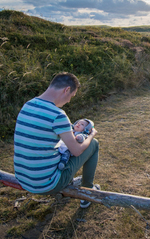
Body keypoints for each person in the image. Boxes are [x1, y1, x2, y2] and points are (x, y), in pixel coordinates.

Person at [13, 72, 100, 208]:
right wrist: (91, 135)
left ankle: (78, 184)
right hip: (46, 184)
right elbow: (76, 151)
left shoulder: (27, 106)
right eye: (71, 96)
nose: (69, 100)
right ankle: (88, 192)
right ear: (66, 90)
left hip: (23, 178)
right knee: (93, 144)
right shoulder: (57, 114)